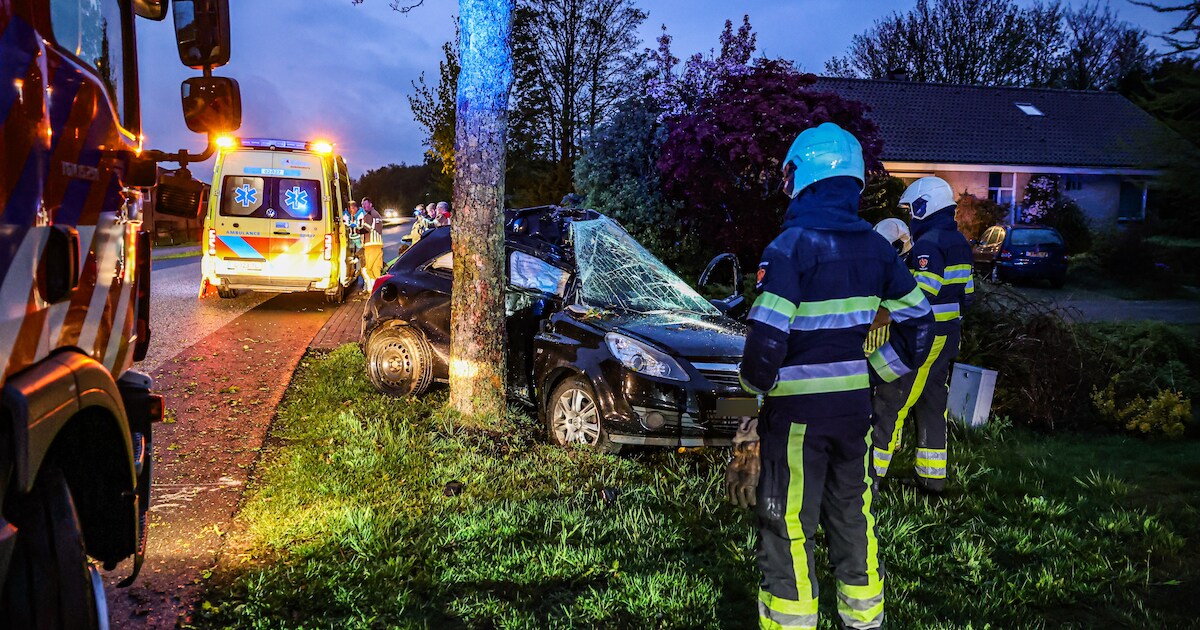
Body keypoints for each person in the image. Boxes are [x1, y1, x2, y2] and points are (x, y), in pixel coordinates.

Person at [728, 122, 934, 630]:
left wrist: (752, 396)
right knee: (853, 518)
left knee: (788, 521)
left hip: (797, 417)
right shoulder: (880, 249)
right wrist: (871, 372)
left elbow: (766, 343)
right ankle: (864, 622)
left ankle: (793, 620)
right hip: (854, 413)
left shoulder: (789, 248)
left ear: (803, 177)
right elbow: (920, 328)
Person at [870, 176, 975, 494]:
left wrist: (881, 312)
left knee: (890, 400)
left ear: (923, 205)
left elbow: (920, 292)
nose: (909, 217)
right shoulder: (959, 243)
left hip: (920, 339)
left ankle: (869, 478)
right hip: (947, 337)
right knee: (931, 403)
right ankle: (932, 478)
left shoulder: (929, 243)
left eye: (911, 210)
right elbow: (967, 295)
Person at [358, 197, 385, 290]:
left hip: (370, 246)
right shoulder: (377, 214)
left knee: (366, 269)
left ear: (370, 204)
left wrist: (354, 230)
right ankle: (376, 291)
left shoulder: (369, 215)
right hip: (378, 245)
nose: (364, 206)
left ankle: (370, 290)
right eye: (363, 204)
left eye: (365, 204)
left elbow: (365, 229)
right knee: (376, 270)